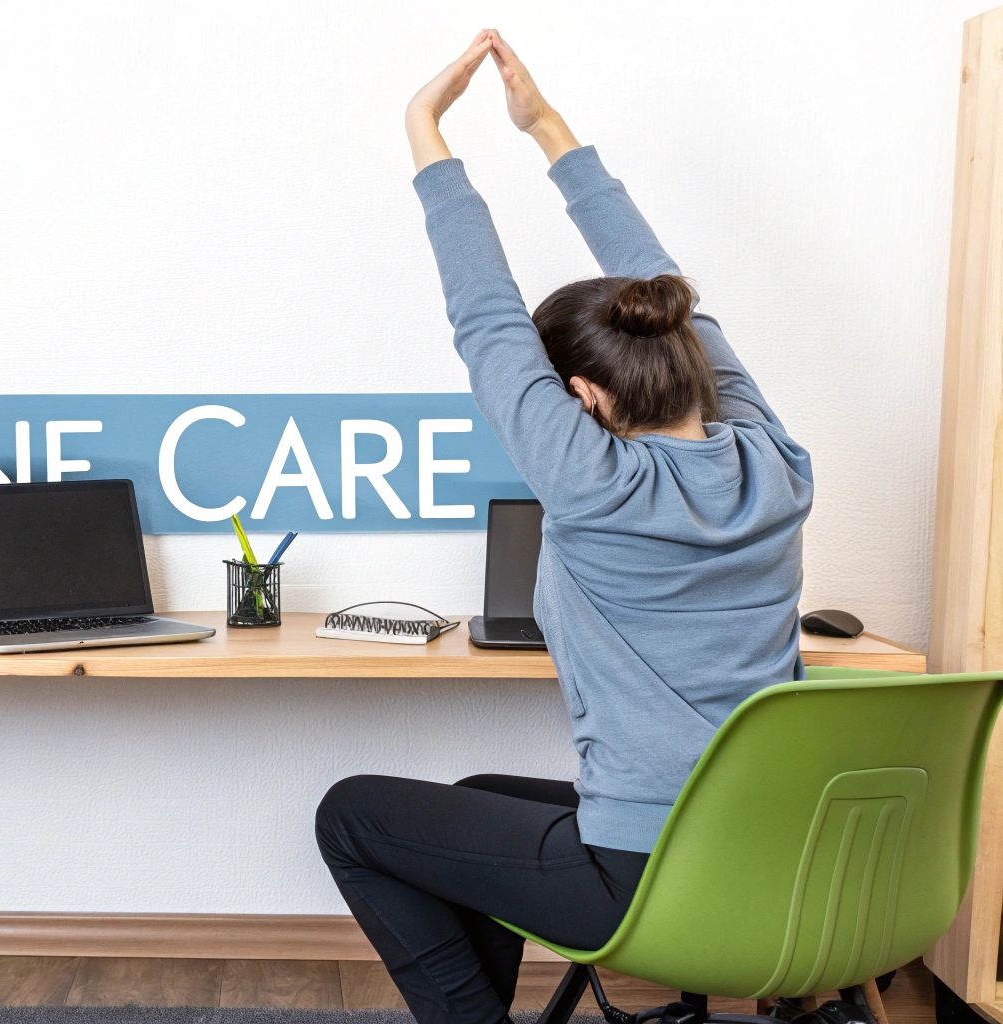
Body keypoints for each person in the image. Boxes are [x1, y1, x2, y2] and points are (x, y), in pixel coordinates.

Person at [314, 30, 812, 1024]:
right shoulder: (776, 461)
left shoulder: (594, 483)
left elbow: (484, 319)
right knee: (475, 791)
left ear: (580, 398)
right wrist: (545, 131)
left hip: (648, 875)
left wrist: (424, 132)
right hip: (774, 853)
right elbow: (668, 298)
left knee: (351, 812)